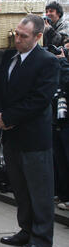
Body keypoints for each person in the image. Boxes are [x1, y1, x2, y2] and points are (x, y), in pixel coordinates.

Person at [0, 14, 59, 247]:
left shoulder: (47, 62)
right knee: (20, 188)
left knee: (39, 191)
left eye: (23, 36)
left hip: (34, 138)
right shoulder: (10, 58)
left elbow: (39, 100)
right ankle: (26, 229)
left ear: (38, 37)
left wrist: (8, 117)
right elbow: (0, 89)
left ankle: (41, 239)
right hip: (12, 137)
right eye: (16, 34)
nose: (17, 39)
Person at [52, 39, 69, 211]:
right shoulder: (60, 67)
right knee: (59, 161)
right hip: (57, 120)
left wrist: (63, 63)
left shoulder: (65, 67)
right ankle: (62, 194)